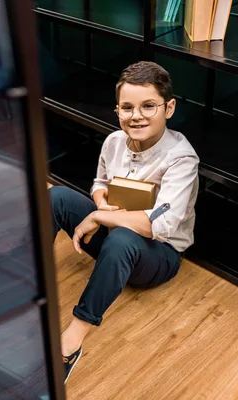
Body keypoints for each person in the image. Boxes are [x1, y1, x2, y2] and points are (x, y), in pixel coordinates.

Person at [50, 61, 199, 383]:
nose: (137, 116)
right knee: (57, 196)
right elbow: (99, 181)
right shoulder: (114, 141)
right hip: (114, 229)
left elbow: (163, 222)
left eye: (149, 106)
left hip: (158, 254)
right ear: (117, 109)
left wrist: (100, 215)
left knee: (122, 239)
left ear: (169, 108)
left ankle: (72, 341)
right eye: (127, 107)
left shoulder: (181, 158)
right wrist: (101, 201)